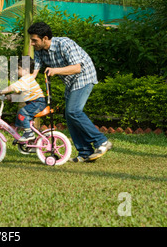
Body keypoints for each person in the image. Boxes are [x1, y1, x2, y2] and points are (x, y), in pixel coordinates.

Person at [28, 22, 112, 162]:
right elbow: (33, 74)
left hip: (84, 76)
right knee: (69, 115)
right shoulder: (39, 51)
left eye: (34, 40)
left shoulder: (65, 44)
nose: (31, 43)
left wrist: (55, 70)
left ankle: (101, 141)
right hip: (70, 82)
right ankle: (85, 152)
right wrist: (19, 86)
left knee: (73, 111)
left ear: (45, 38)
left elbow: (77, 68)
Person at [0, 56, 47, 145]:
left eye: (18, 68)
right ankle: (21, 136)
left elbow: (12, 87)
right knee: (21, 115)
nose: (16, 71)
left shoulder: (26, 79)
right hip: (35, 102)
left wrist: (0, 92)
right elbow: (19, 93)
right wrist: (8, 97)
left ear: (26, 69)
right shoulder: (27, 79)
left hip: (38, 103)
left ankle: (29, 133)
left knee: (22, 113)